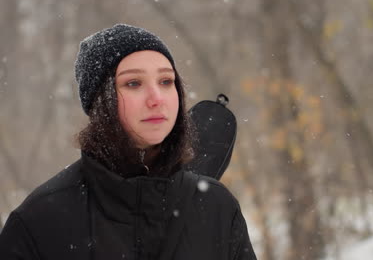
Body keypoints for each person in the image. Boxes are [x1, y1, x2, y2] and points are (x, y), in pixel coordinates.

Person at [0, 24, 256, 260]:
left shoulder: (218, 208)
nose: (157, 98)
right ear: (101, 102)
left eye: (166, 81)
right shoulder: (39, 221)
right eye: (133, 83)